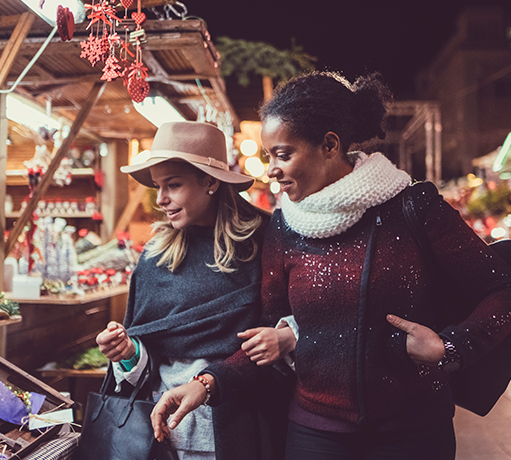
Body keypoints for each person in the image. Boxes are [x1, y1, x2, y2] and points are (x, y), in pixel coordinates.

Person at [151, 72, 511, 460]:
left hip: (414, 431)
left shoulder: (414, 207)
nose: (271, 169)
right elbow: (269, 337)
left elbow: (500, 291)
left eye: (283, 154)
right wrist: (206, 384)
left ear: (329, 145)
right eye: (269, 156)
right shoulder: (283, 226)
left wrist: (449, 347)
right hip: (314, 435)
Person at [95, 121, 292, 460]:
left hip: (240, 429)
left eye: (173, 185)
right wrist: (127, 352)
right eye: (158, 187)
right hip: (161, 433)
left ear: (210, 181)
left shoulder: (265, 241)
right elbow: (149, 355)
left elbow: (276, 347)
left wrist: (210, 382)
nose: (161, 199)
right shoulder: (156, 254)